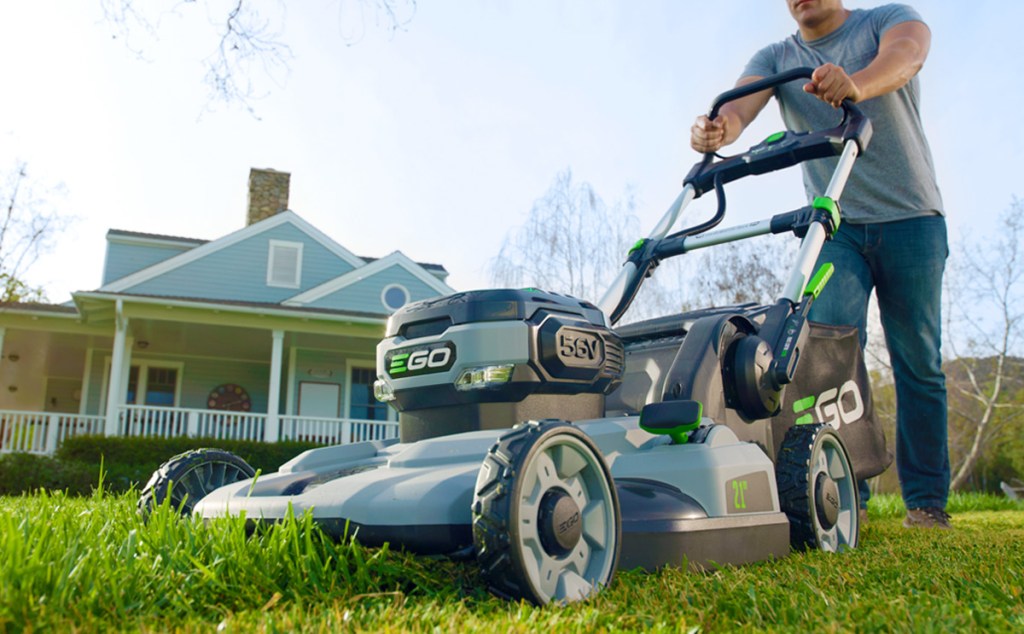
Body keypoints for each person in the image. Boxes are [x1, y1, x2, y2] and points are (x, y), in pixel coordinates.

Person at [690, 0, 950, 529]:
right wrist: (718, 131)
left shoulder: (885, 19)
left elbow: (909, 55)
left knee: (918, 361)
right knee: (829, 359)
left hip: (912, 218)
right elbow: (741, 107)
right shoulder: (778, 55)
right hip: (837, 228)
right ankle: (846, 492)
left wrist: (854, 83)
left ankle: (925, 502)